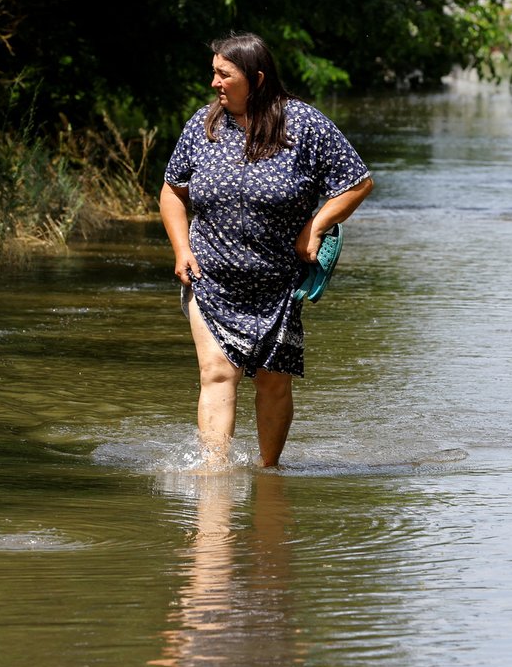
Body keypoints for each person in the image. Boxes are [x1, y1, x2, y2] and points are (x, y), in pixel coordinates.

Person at [160, 32, 374, 469]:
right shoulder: (203, 126)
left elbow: (357, 182)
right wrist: (182, 249)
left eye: (225, 75)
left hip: (279, 281)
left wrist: (316, 226)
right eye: (213, 73)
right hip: (211, 276)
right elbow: (172, 190)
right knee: (216, 373)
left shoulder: (305, 125)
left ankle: (268, 472)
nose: (215, 84)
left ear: (256, 79)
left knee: (274, 384)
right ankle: (214, 478)